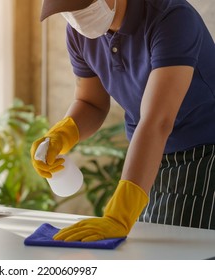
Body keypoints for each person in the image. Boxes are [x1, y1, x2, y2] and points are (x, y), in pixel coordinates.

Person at [31, 0, 215, 242]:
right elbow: (91, 103)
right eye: (67, 10)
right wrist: (62, 134)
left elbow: (157, 121)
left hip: (204, 156)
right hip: (152, 158)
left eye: (81, 5)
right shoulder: (80, 33)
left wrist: (119, 216)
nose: (75, 17)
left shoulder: (171, 17)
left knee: (180, 256)